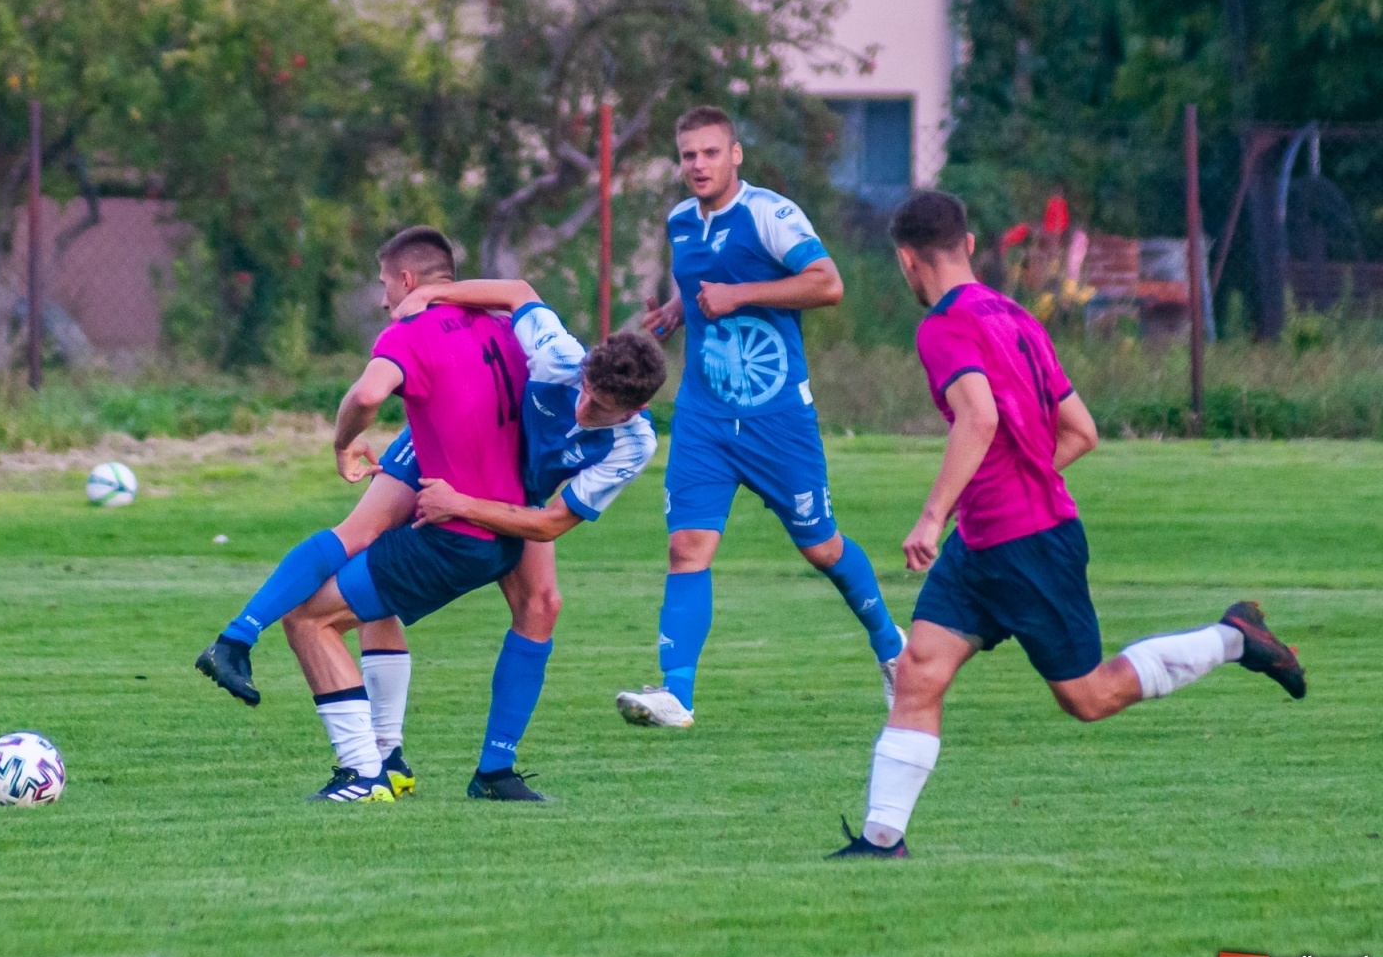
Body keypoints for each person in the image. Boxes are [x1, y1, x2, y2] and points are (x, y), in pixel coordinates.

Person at [831, 190, 1306, 859]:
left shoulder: (940, 326)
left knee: (1088, 697)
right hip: (984, 543)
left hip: (1026, 545)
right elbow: (1081, 431)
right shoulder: (1021, 319)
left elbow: (979, 417)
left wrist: (932, 515)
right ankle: (882, 841)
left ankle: (1234, 638)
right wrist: (1013, 484)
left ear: (908, 261)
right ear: (968, 245)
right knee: (919, 670)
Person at [201, 224, 531, 802]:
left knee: (308, 619)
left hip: (453, 533)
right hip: (504, 527)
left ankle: (360, 774)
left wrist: (341, 440)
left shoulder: (410, 331)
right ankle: (389, 755)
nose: (383, 299)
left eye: (384, 284)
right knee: (368, 577)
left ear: (407, 281)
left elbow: (367, 395)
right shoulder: (505, 329)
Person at [615, 105, 906, 730]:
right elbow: (702, 284)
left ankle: (892, 649)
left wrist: (740, 296)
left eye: (710, 153)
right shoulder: (679, 223)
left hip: (777, 418)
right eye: (689, 155)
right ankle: (677, 694)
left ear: (735, 154)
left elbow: (827, 285)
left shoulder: (770, 214)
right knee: (686, 545)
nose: (698, 165)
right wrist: (673, 312)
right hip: (704, 417)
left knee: (822, 547)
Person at [365, 278, 666, 799]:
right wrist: (432, 297)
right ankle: (383, 756)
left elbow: (550, 523)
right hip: (452, 445)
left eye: (600, 408)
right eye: (587, 390)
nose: (583, 406)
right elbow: (519, 290)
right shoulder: (560, 356)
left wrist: (460, 506)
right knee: (367, 564)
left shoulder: (634, 444)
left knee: (542, 604)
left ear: (633, 411)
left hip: (510, 490)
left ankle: (494, 772)